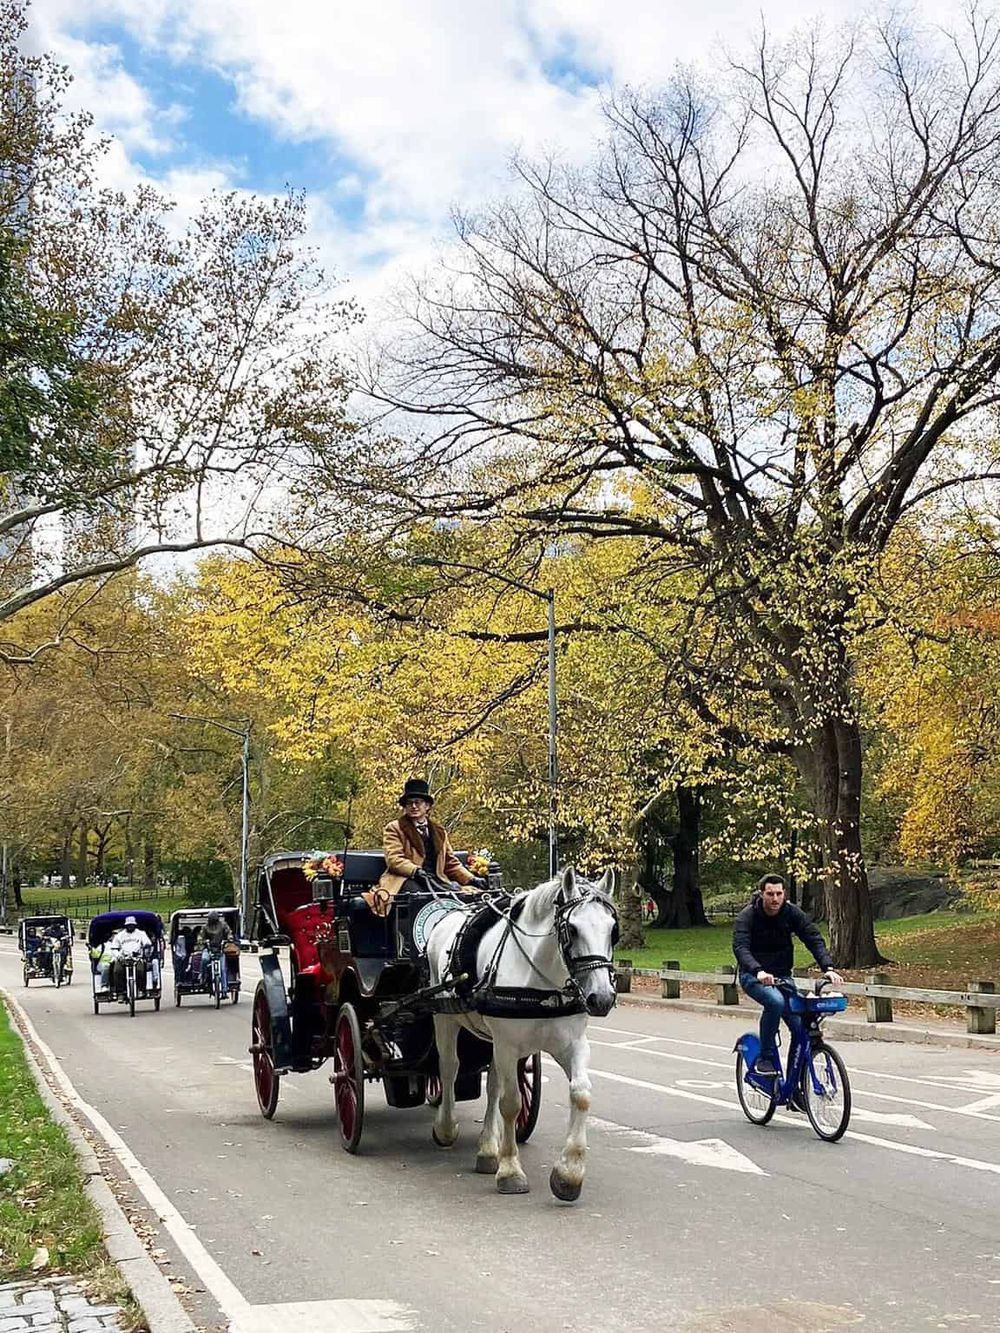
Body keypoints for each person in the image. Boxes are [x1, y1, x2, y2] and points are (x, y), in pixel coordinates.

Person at [733, 874, 843, 1077]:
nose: (775, 899)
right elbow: (741, 948)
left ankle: (795, 1086)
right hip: (753, 976)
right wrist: (758, 971)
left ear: (784, 894)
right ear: (761, 894)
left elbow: (813, 938)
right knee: (774, 1002)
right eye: (770, 894)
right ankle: (765, 1057)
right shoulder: (747, 917)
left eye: (779, 894)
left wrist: (828, 967)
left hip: (783, 976)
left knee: (800, 1028)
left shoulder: (791, 913)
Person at [367, 777, 486, 917]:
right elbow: (394, 860)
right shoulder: (394, 828)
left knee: (470, 897)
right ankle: (415, 936)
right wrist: (415, 871)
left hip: (436, 880)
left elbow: (450, 863)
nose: (414, 806)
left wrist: (471, 879)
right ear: (405, 807)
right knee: (421, 897)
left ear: (427, 806)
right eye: (409, 803)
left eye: (418, 802)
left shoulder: (439, 832)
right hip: (405, 880)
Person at [109, 915, 152, 998]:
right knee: (117, 971)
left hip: (137, 957)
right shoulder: (120, 935)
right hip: (123, 958)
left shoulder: (141, 933)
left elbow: (147, 942)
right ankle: (120, 992)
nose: (130, 926)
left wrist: (146, 945)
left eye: (132, 925)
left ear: (135, 925)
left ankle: (141, 990)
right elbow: (114, 948)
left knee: (140, 970)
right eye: (128, 925)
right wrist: (118, 956)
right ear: (125, 925)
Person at [197, 912, 234, 996]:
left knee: (223, 969)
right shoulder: (205, 927)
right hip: (209, 949)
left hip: (220, 949)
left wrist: (229, 938)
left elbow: (229, 932)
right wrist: (201, 941)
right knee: (204, 959)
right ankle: (202, 977)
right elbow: (200, 936)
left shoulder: (223, 925)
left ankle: (224, 990)